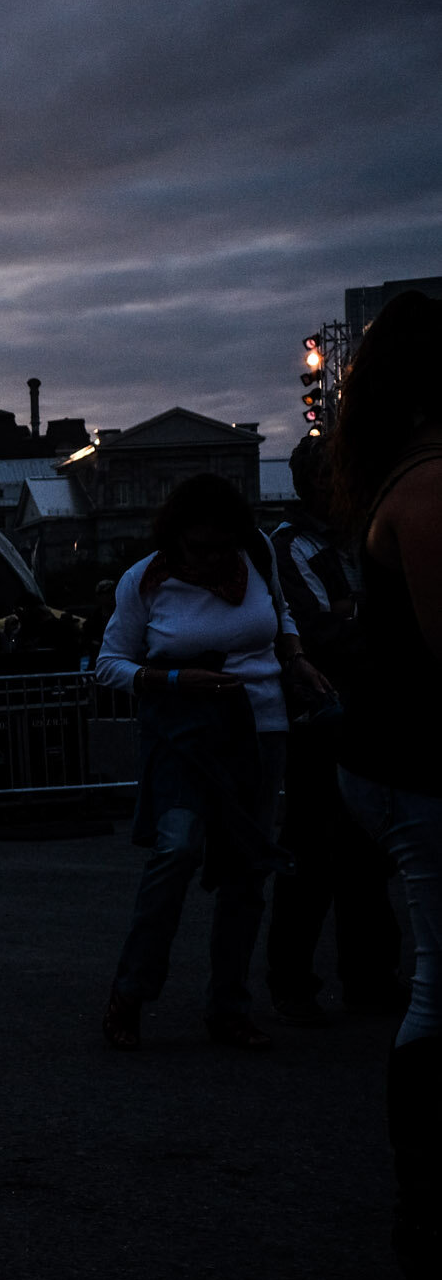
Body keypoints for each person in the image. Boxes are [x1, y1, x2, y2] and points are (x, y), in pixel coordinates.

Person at [96, 472, 322, 1052]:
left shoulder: (256, 557)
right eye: (202, 548)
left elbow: (279, 616)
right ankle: (130, 992)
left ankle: (229, 1008)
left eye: (224, 544)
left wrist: (293, 658)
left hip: (261, 728)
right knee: (176, 853)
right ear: (176, 540)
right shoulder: (145, 580)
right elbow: (109, 664)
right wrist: (173, 678)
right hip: (186, 734)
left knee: (247, 872)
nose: (217, 557)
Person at [325, 289, 442, 1280]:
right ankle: (423, 1197)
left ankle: (423, 1196)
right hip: (421, 763)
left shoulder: (399, 477)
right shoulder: (432, 483)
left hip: (393, 758)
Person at [264, 431, 403, 1022]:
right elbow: (324, 632)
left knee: (359, 853)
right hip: (323, 720)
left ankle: (356, 978)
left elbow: (347, 624)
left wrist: (355, 618)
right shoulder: (290, 545)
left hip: (355, 712)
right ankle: (304, 981)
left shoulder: (344, 542)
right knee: (319, 851)